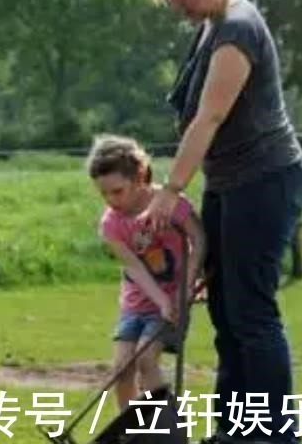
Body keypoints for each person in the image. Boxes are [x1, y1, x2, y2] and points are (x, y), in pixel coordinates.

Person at [144, 0, 302, 442]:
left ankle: (274, 434)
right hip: (230, 183)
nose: (179, 8)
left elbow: (209, 118)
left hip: (263, 182)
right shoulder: (212, 24)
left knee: (251, 312)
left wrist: (170, 190)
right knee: (224, 309)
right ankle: (236, 429)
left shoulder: (237, 28)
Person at [87, 134, 205, 410]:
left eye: (117, 191)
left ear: (139, 177)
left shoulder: (171, 203)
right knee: (121, 369)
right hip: (136, 304)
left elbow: (199, 240)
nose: (110, 200)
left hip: (173, 302)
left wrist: (184, 290)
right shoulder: (111, 224)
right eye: (103, 193)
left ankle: (164, 429)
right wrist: (160, 299)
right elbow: (133, 266)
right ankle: (131, 433)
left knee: (146, 361)